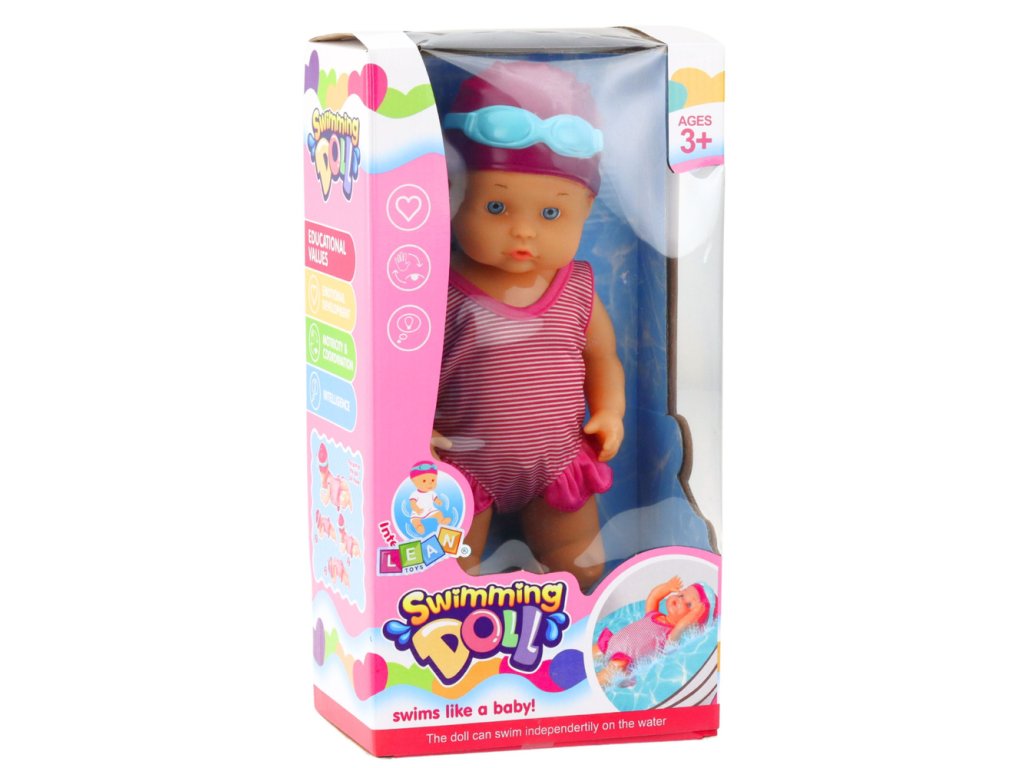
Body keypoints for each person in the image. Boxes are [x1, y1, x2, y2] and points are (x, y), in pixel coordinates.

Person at [432, 60, 625, 593]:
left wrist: (609, 411)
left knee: (580, 564)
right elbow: (407, 368)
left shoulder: (577, 288)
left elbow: (601, 357)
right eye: (496, 206)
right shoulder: (439, 290)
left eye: (551, 214)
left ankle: (574, 616)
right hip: (462, 465)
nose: (523, 231)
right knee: (449, 573)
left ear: (587, 207)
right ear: (451, 194)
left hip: (558, 462)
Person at [593, 576, 717, 687]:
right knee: (586, 656)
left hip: (624, 660)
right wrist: (667, 587)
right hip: (610, 643)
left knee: (600, 679)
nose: (679, 600)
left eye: (689, 605)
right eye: (681, 595)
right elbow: (653, 597)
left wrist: (695, 615)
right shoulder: (653, 615)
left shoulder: (670, 636)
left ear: (692, 621)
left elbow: (680, 627)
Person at [407, 461, 450, 535]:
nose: (430, 483)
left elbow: (435, 499)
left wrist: (438, 501)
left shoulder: (432, 493)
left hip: (430, 510)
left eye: (433, 480)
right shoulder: (415, 494)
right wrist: (416, 509)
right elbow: (412, 504)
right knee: (415, 520)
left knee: (439, 513)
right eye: (424, 481)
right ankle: (418, 526)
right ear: (414, 482)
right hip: (418, 513)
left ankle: (441, 520)